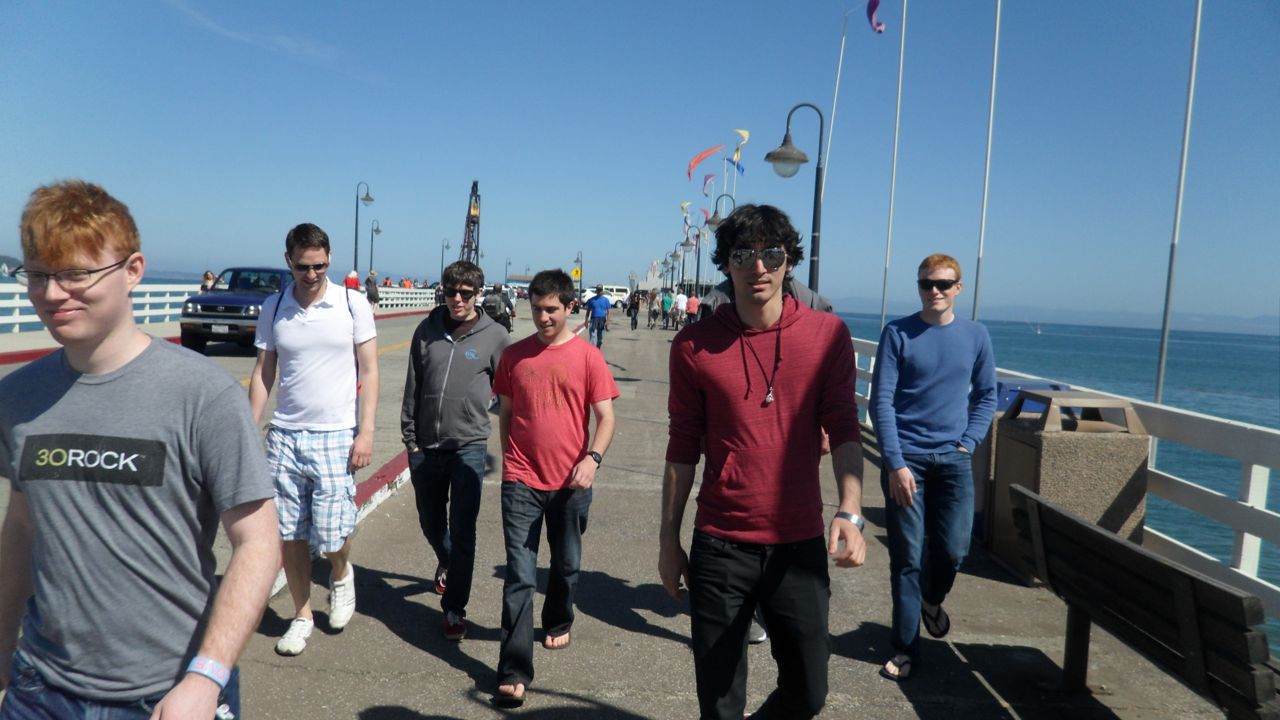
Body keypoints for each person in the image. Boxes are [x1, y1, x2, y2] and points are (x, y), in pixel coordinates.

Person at [0, 180, 280, 720]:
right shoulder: (17, 397)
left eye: (77, 273)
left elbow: (258, 543)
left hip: (168, 692)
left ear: (133, 270)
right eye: (37, 274)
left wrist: (206, 678)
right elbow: (22, 525)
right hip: (41, 688)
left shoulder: (204, 394)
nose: (53, 293)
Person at [659, 204, 866, 720]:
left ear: (789, 261)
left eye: (771, 253)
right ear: (725, 264)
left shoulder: (827, 336)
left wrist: (851, 509)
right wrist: (668, 539)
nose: (759, 266)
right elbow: (683, 447)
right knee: (719, 699)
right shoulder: (693, 346)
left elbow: (843, 426)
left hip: (797, 543)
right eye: (743, 254)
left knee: (809, 691)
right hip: (720, 543)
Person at [249, 222, 380, 657]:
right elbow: (264, 372)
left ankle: (341, 576)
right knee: (288, 533)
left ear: (329, 258)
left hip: (335, 435)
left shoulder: (352, 303)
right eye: (304, 267)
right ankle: (301, 615)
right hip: (285, 435)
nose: (312, 275)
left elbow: (371, 371)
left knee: (331, 533)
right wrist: (251, 427)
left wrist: (365, 431)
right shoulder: (274, 306)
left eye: (320, 265)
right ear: (289, 260)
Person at [492, 269, 619, 707]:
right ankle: (513, 669)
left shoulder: (588, 358)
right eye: (536, 308)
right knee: (521, 574)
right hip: (521, 479)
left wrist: (593, 459)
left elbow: (606, 418)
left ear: (569, 307)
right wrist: (511, 462)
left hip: (572, 481)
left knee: (566, 564)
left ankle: (559, 619)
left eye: (551, 309)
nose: (543, 317)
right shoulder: (514, 357)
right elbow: (506, 414)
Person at [872, 253, 996, 682]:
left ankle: (931, 600)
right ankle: (906, 649)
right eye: (927, 284)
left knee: (953, 550)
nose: (935, 291)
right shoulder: (897, 334)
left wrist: (969, 443)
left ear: (959, 287)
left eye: (944, 284)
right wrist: (895, 463)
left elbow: (986, 396)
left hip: (954, 461)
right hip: (908, 462)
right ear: (919, 287)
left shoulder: (976, 336)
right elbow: (881, 401)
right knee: (906, 556)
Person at [401, 261, 513, 642]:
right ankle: (445, 558)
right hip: (426, 446)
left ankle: (454, 609)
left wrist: (488, 414)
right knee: (432, 522)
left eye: (466, 293)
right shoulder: (427, 329)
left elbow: (508, 391)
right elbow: (412, 384)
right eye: (452, 291)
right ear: (443, 291)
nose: (458, 299)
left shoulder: (495, 335)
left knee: (464, 530)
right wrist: (410, 438)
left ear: (478, 294)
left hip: (469, 446)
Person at [583, 284, 612, 349]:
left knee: (600, 337)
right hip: (594, 319)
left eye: (600, 290)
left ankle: (598, 347)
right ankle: (594, 350)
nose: (599, 291)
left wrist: (607, 321)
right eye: (598, 290)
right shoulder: (591, 300)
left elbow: (609, 311)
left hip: (602, 319)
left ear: (602, 291)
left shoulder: (606, 300)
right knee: (593, 335)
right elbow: (588, 311)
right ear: (596, 290)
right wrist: (586, 321)